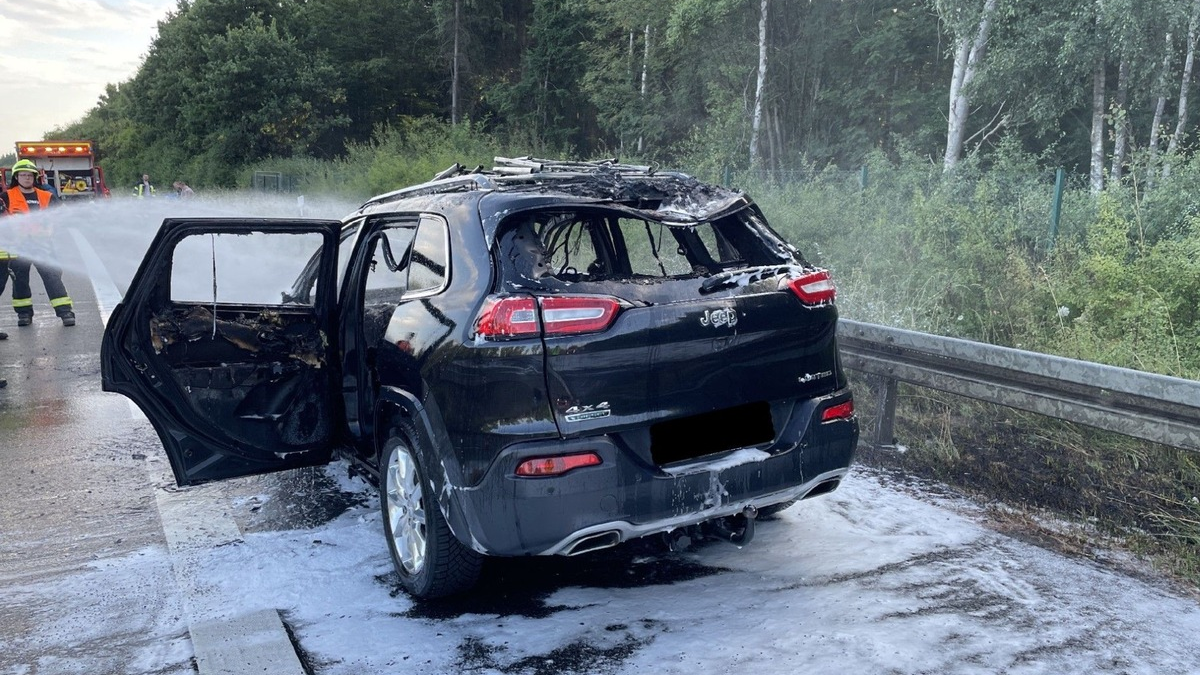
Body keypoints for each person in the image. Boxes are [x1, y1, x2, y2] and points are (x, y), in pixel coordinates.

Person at [4, 159, 75, 326]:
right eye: (23, 175)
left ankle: (65, 312)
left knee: (52, 277)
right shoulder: (6, 197)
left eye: (30, 175)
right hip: (18, 247)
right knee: (20, 280)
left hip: (43, 246)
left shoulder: (47, 196)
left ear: (35, 177)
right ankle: (24, 314)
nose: (27, 178)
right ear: (16, 177)